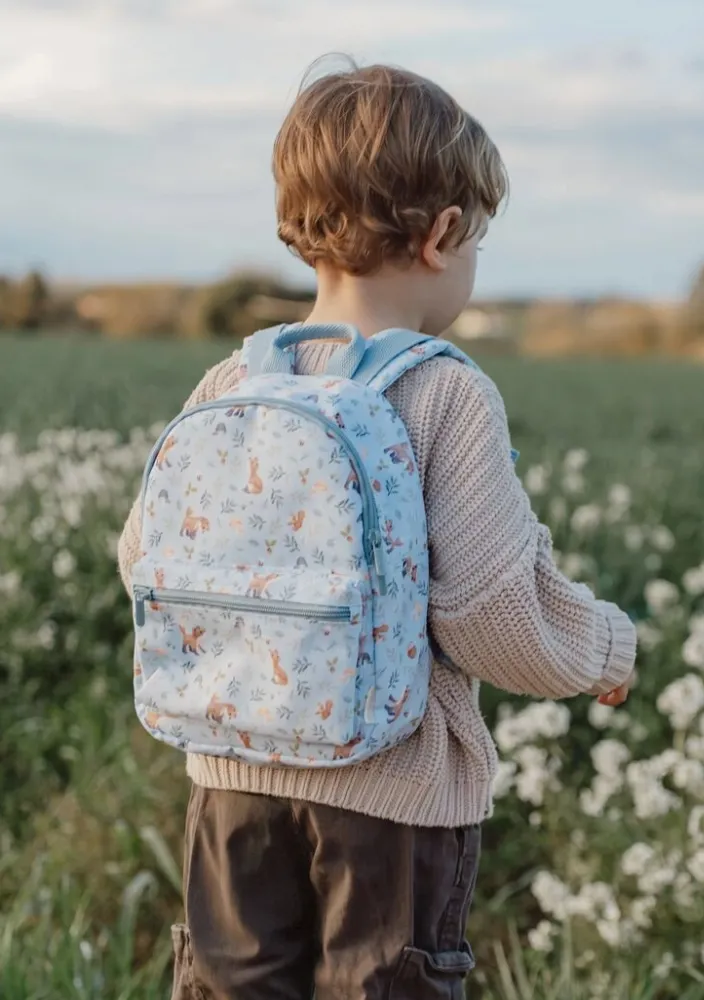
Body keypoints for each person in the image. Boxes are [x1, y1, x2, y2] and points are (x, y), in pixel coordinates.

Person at [117, 57, 637, 1000]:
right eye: (477, 241)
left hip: (230, 784)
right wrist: (601, 646)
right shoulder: (445, 394)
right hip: (388, 809)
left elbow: (140, 558)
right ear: (443, 236)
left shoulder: (233, 381)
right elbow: (490, 610)